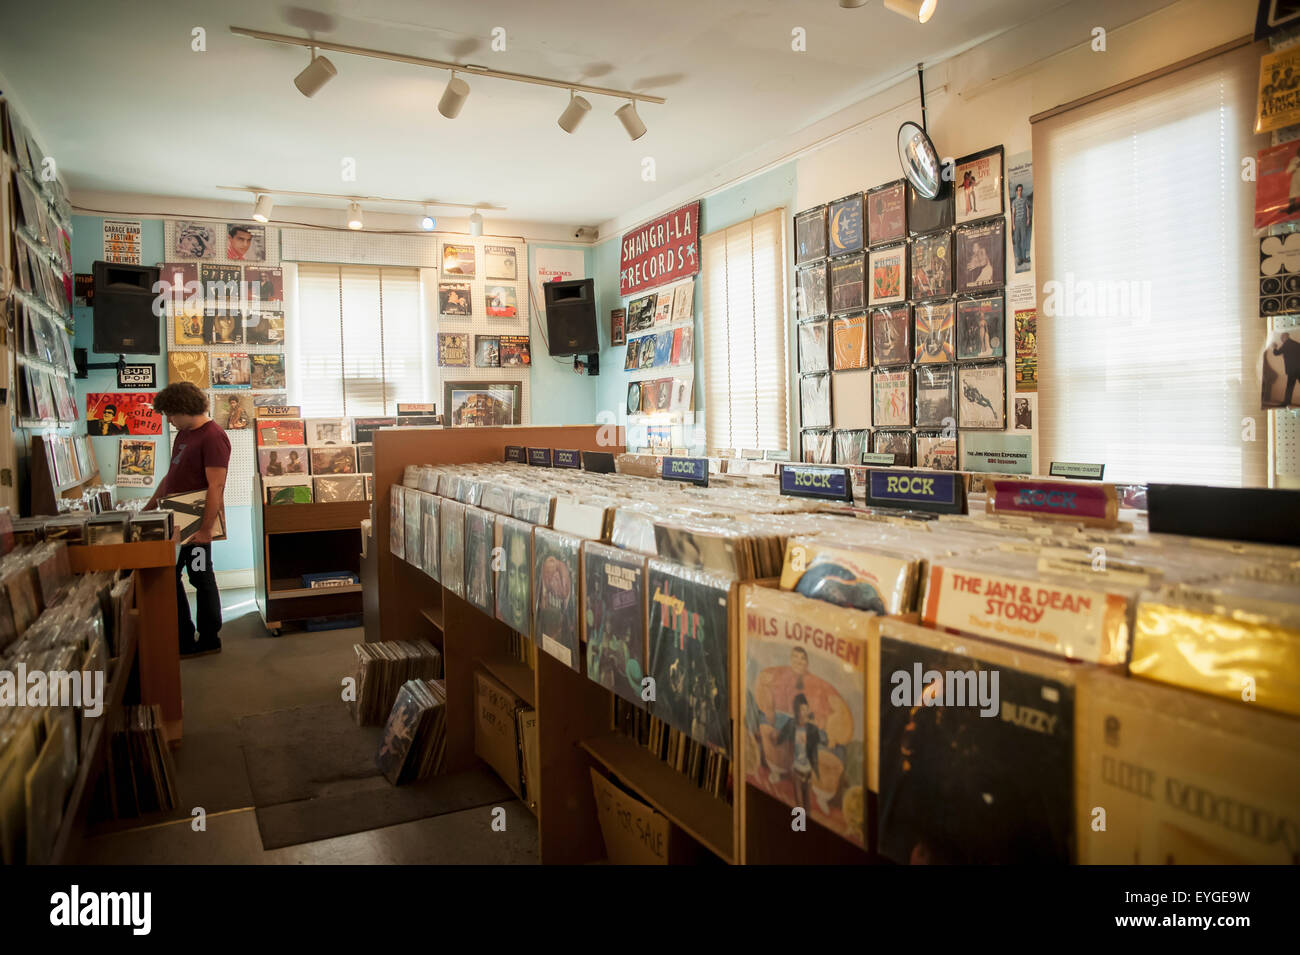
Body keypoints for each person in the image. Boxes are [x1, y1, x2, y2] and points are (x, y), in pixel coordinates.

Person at [146, 382, 230, 657]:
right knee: (171, 576)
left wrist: (205, 530)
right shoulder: (183, 433)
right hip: (175, 520)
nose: (169, 419)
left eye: (171, 413)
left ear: (184, 408)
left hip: (195, 524)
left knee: (200, 577)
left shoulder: (213, 436)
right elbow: (171, 476)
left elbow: (215, 486)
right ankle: (183, 636)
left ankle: (207, 638)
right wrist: (149, 506)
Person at [1274, 332, 1300, 405]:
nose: (1281, 340)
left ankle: (1287, 402)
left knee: (1289, 387)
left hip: (1292, 370)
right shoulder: (1296, 344)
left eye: (1282, 338)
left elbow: (1276, 353)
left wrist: (1274, 347)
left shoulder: (1286, 344)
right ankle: (1286, 402)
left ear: (1285, 337)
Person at [1011, 183, 1032, 267]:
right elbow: (1013, 213)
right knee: (1017, 240)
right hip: (1017, 222)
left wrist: (1028, 219)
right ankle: (1019, 258)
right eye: (1018, 190)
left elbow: (1027, 209)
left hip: (1023, 222)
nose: (1020, 191)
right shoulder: (1014, 202)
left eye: (1021, 190)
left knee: (1024, 239)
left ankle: (1024, 258)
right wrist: (1013, 224)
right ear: (1016, 191)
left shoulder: (1024, 200)